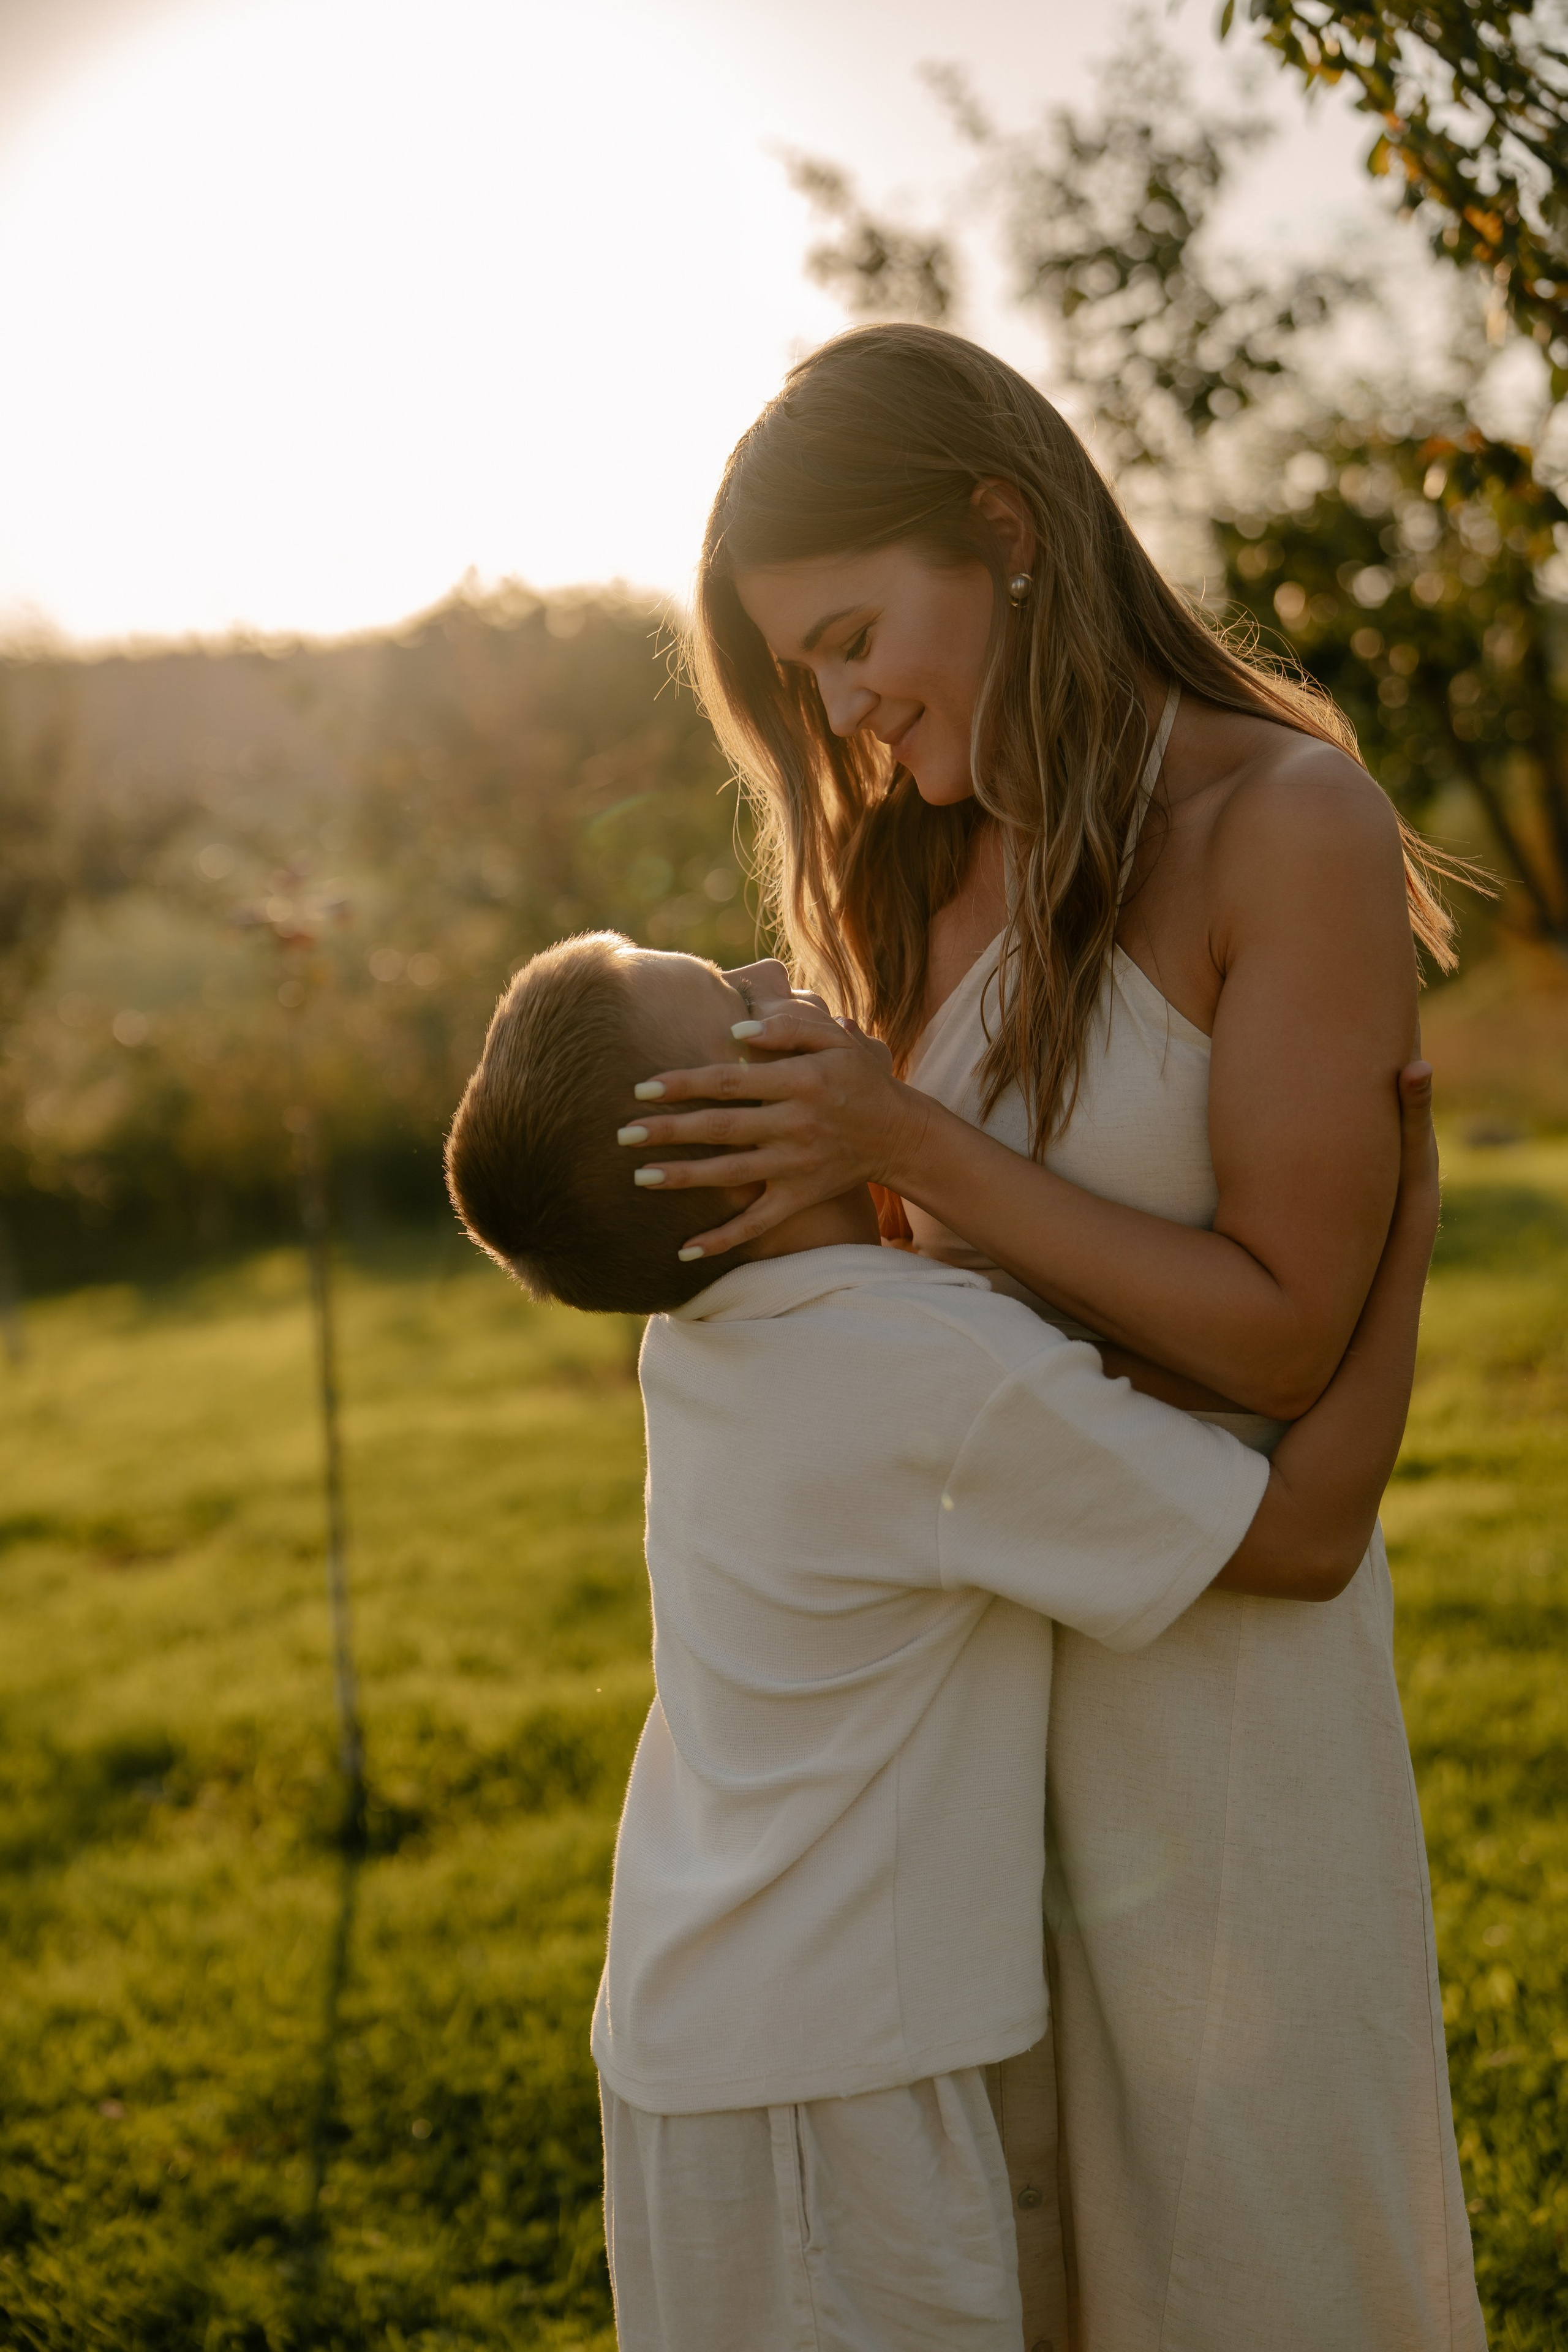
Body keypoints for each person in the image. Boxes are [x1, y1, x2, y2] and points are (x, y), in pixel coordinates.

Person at [611, 323, 1485, 2351]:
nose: (843, 710)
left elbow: (1277, 1344)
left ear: (1003, 529)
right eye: (802, 676)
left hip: (1217, 1716)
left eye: (850, 636)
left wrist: (907, 1134)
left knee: (1248, 2270)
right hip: (964, 1753)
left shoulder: (1290, 825)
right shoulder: (912, 869)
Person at [444, 929, 1440, 2352]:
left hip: (709, 2041)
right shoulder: (920, 1375)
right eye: (732, 1003)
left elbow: (1019, 1364)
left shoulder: (718, 1334)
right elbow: (1299, 1541)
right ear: (737, 1165)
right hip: (829, 2083)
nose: (771, 974)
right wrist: (1395, 1240)